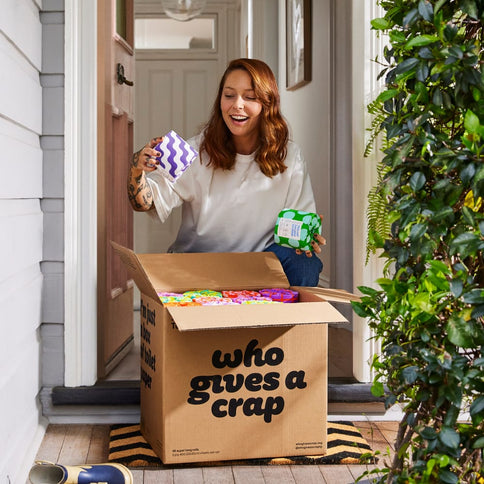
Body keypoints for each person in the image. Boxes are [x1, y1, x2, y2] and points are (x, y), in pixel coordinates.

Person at [127, 58, 325, 286]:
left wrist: (308, 240)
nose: (237, 105)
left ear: (267, 103)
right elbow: (144, 203)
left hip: (258, 267)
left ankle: (294, 322)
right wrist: (137, 170)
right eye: (229, 95)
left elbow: (297, 228)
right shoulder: (192, 151)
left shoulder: (289, 155)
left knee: (305, 262)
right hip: (199, 264)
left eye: (250, 97)